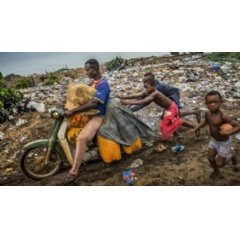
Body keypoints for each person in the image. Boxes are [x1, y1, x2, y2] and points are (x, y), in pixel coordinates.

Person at [120, 75, 198, 152]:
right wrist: (124, 97)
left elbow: (144, 101)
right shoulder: (148, 91)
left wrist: (127, 102)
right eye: (145, 87)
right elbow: (137, 96)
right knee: (174, 120)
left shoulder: (155, 93)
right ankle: (191, 127)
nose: (146, 90)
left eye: (147, 87)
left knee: (163, 125)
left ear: (154, 85)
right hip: (169, 108)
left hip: (171, 108)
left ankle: (164, 143)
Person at [63, 59, 111, 183]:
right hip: (88, 116)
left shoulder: (103, 84)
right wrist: (67, 103)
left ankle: (74, 172)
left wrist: (73, 111)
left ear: (96, 68)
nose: (87, 72)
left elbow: (94, 103)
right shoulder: (91, 83)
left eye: (88, 70)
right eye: (86, 70)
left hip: (97, 117)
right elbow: (83, 99)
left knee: (81, 138)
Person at [189, 90, 240, 178]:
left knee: (220, 164)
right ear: (206, 104)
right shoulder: (207, 113)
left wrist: (228, 133)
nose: (212, 104)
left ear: (221, 102)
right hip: (214, 141)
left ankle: (232, 154)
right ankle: (217, 172)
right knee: (211, 159)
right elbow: (206, 122)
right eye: (210, 102)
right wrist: (196, 128)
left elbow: (238, 126)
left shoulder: (223, 116)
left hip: (224, 142)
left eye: (215, 102)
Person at [121, 73, 201, 124]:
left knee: (174, 115)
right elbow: (141, 96)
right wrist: (129, 103)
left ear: (152, 83)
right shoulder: (152, 87)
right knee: (169, 116)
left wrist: (131, 109)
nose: (144, 84)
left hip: (173, 96)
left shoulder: (156, 89)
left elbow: (145, 102)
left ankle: (194, 116)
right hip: (168, 98)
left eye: (145, 82)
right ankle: (193, 114)